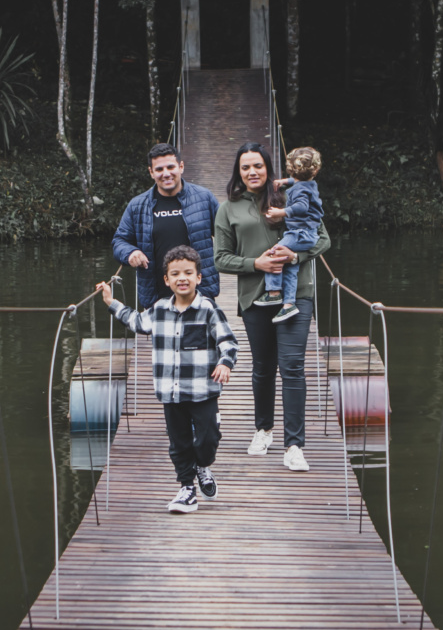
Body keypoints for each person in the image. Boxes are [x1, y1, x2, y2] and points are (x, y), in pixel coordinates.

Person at [214, 142, 329, 472]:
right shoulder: (229, 209)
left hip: (297, 296)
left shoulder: (291, 196)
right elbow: (221, 258)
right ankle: (263, 429)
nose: (252, 172)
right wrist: (256, 264)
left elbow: (323, 238)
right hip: (255, 299)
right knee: (263, 367)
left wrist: (296, 256)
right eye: (245, 167)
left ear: (269, 168)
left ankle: (294, 445)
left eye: (258, 166)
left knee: (292, 366)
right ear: (238, 171)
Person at [97, 245, 238, 513]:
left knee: (208, 439)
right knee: (179, 441)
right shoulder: (159, 309)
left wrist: (225, 363)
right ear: (167, 280)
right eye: (175, 274)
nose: (181, 278)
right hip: (170, 392)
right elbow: (137, 322)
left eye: (188, 273)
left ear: (198, 278)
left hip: (203, 390)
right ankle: (187, 488)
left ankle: (202, 465)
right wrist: (110, 302)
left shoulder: (208, 309)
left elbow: (228, 342)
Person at [112, 143, 220, 309]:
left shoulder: (204, 198)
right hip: (157, 298)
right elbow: (119, 241)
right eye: (159, 169)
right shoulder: (137, 206)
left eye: (171, 167)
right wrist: (130, 252)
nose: (166, 174)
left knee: (200, 336)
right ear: (151, 172)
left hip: (201, 295)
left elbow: (227, 233)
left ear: (181, 166)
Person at [259, 146, 324, 324]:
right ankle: (288, 305)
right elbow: (299, 181)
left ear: (290, 168)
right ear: (315, 170)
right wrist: (285, 181)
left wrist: (281, 212)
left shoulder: (299, 190)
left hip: (299, 234)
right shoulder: (309, 184)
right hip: (308, 234)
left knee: (275, 252)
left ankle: (273, 292)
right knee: (291, 267)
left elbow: (301, 207)